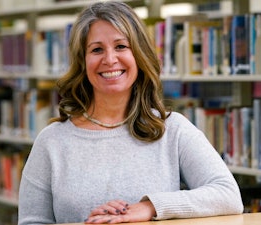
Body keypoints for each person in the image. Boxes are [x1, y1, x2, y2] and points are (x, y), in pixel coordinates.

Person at [18, 1, 244, 224]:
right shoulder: (51, 141)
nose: (109, 59)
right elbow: (31, 222)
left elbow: (228, 195)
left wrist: (149, 207)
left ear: (139, 54)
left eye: (121, 46)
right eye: (97, 49)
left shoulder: (172, 129)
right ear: (82, 62)